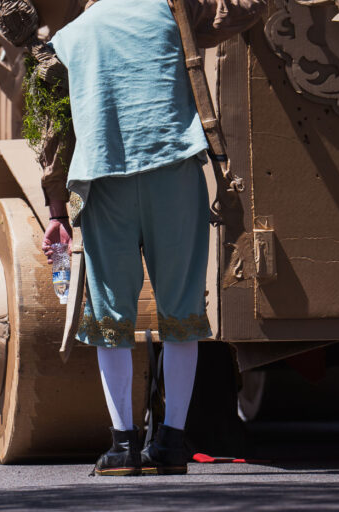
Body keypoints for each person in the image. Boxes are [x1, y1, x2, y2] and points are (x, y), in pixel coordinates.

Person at [19, 0, 265, 475]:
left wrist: (55, 211)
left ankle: (122, 446)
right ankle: (172, 444)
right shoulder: (171, 10)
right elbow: (238, 14)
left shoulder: (70, 36)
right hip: (173, 171)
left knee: (111, 318)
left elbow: (53, 132)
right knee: (183, 312)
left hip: (103, 178)